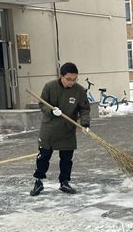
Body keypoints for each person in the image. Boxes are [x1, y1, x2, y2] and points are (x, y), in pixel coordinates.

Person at [30, 62, 90, 196]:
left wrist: (85, 124)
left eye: (75, 79)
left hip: (67, 129)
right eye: (69, 79)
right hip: (49, 129)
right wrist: (51, 111)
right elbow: (42, 104)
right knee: (43, 156)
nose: (72, 82)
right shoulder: (50, 87)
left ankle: (64, 182)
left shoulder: (79, 91)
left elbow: (84, 108)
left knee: (67, 158)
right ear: (61, 76)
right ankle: (38, 181)